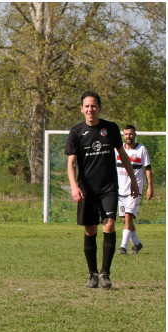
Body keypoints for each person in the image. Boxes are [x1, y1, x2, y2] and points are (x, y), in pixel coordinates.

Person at [65, 91, 139, 289]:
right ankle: (92, 274)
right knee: (90, 231)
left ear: (99, 107)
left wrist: (133, 180)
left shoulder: (111, 128)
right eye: (87, 106)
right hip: (87, 190)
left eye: (94, 105)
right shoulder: (75, 132)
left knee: (109, 225)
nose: (90, 109)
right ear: (82, 109)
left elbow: (123, 155)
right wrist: (74, 186)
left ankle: (105, 273)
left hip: (109, 188)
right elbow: (71, 164)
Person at [117, 125, 153, 255]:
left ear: (135, 134)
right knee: (125, 220)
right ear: (123, 135)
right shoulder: (118, 150)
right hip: (121, 190)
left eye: (130, 134)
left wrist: (150, 187)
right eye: (126, 134)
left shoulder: (142, 150)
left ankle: (123, 247)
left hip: (135, 189)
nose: (128, 136)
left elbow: (148, 169)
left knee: (128, 217)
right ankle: (137, 243)